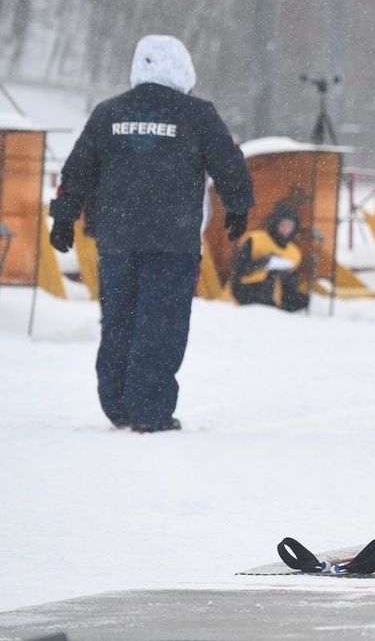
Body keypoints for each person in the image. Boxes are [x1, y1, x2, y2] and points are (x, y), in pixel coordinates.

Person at [47, 35, 253, 433]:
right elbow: (228, 163)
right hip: (172, 241)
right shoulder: (197, 114)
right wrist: (239, 207)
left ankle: (117, 403)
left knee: (119, 320)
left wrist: (63, 216)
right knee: (161, 323)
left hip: (117, 240)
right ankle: (149, 410)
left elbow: (77, 170)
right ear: (183, 70)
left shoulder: (108, 114)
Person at [232, 202, 309, 312]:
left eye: (290, 226)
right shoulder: (255, 240)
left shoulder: (294, 253)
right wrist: (263, 263)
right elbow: (238, 269)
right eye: (283, 225)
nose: (286, 229)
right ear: (275, 223)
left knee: (302, 300)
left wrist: (285, 275)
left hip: (275, 295)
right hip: (247, 290)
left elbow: (293, 283)